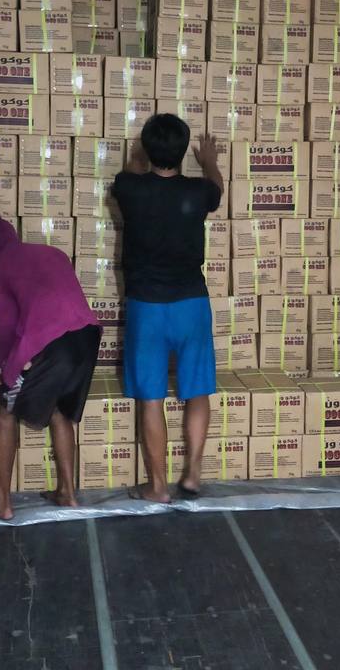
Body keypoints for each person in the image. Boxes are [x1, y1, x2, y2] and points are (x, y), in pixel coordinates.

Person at [112, 114, 224, 503]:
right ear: (182, 151)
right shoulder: (199, 191)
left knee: (151, 397)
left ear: (146, 149)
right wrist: (209, 160)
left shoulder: (129, 187)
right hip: (191, 303)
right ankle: (192, 474)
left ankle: (158, 487)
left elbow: (131, 172)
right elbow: (217, 188)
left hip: (147, 307)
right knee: (197, 391)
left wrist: (137, 156)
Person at [0, 214, 101, 518]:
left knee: (5, 413)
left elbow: (8, 328)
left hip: (49, 343)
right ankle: (67, 493)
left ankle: (2, 504)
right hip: (87, 337)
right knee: (60, 412)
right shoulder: (53, 253)